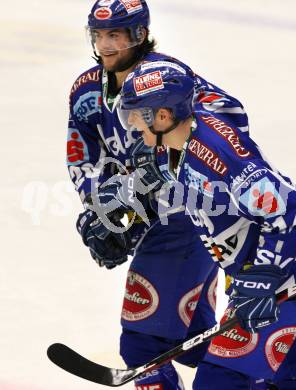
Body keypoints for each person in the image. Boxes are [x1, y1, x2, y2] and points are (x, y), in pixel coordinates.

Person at [113, 61, 296, 390]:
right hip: (284, 271)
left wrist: (265, 277)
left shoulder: (216, 153)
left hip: (286, 276)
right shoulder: (177, 146)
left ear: (163, 117)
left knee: (218, 383)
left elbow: (289, 209)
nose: (132, 123)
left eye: (137, 114)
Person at [67, 1, 250, 389]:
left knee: (142, 344)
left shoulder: (165, 79)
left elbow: (232, 116)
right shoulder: (86, 91)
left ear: (139, 34)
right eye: (99, 35)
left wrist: (164, 166)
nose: (106, 46)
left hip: (188, 217)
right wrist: (105, 205)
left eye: (115, 35)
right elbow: (82, 153)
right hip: (156, 222)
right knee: (191, 343)